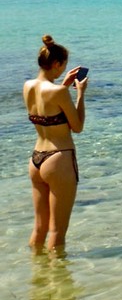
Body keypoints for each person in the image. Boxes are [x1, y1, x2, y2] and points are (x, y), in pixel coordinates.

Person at [23, 35, 88, 252]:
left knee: (40, 228)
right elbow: (77, 127)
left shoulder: (28, 86)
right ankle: (57, 283)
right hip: (58, 159)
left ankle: (37, 278)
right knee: (57, 232)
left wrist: (63, 85)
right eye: (63, 66)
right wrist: (80, 94)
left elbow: (47, 106)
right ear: (57, 64)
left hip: (36, 160)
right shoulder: (60, 92)